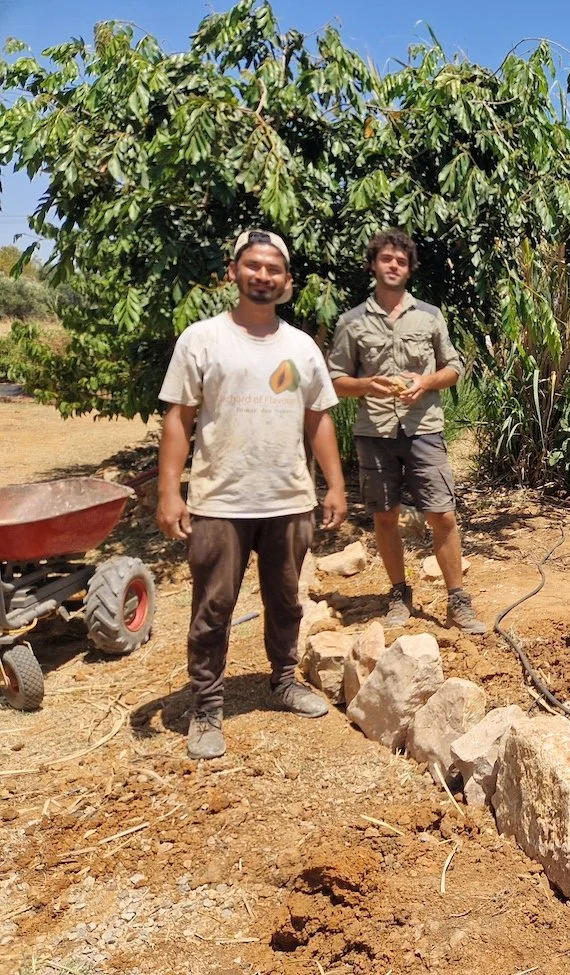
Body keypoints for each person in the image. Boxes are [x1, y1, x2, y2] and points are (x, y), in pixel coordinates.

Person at [157, 229, 347, 761]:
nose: (263, 275)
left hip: (288, 497)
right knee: (214, 606)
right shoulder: (202, 339)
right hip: (221, 500)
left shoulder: (300, 346)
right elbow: (179, 418)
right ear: (233, 273)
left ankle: (284, 681)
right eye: (253, 266)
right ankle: (207, 705)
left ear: (286, 281)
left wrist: (333, 485)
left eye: (273, 269)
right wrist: (171, 492)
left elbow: (318, 420)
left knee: (286, 600)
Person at [327, 229, 486, 634]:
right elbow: (335, 380)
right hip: (374, 431)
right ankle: (399, 593)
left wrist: (426, 382)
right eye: (386, 259)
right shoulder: (352, 322)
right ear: (373, 265)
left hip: (424, 430)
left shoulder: (429, 316)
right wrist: (366, 385)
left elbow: (454, 368)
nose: (393, 265)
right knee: (384, 517)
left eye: (400, 260)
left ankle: (457, 600)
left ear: (409, 268)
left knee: (443, 514)